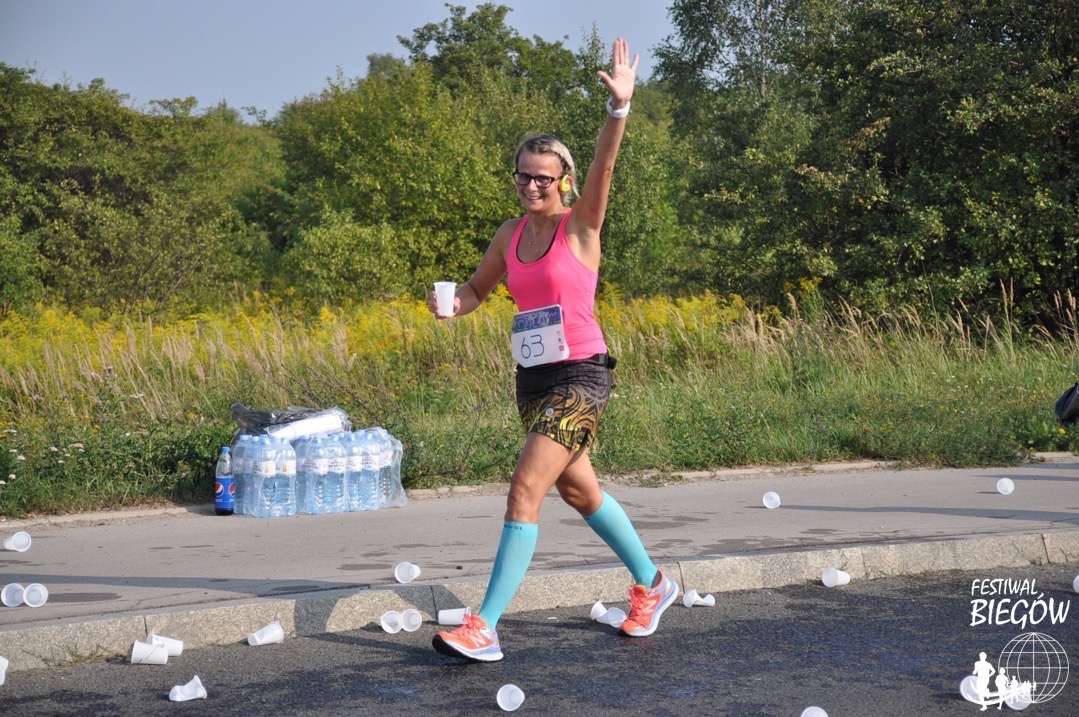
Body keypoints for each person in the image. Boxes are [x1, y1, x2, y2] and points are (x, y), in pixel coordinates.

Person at [426, 38, 678, 663]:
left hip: (581, 376)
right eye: (524, 175)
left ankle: (484, 626)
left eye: (544, 176)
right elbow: (478, 291)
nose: (533, 185)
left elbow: (604, 169)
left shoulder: (580, 225)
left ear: (563, 180)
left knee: (524, 489)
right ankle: (653, 584)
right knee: (580, 493)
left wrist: (619, 109)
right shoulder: (509, 234)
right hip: (533, 379)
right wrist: (451, 305)